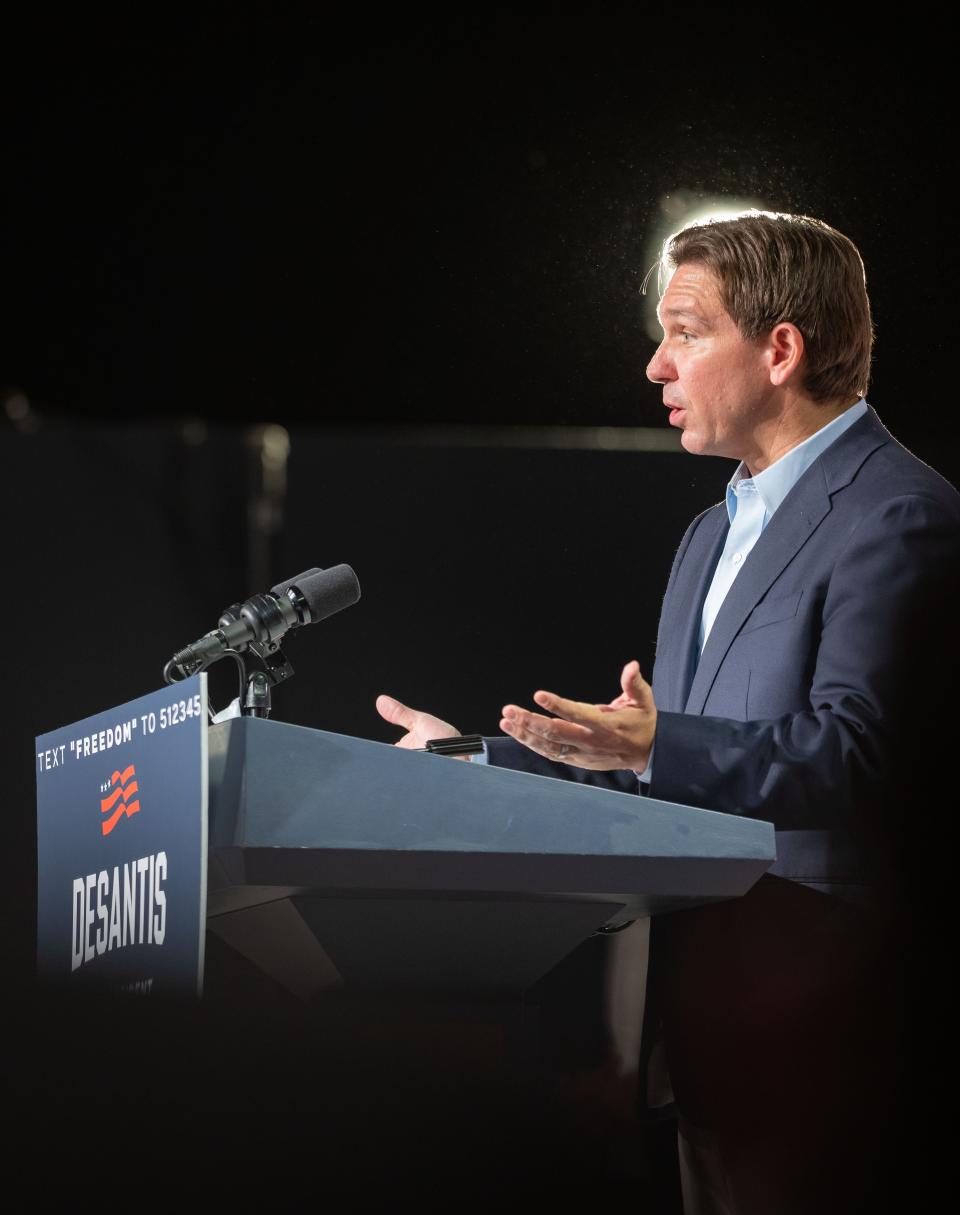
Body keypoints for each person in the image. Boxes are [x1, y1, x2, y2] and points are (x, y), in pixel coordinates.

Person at [376, 212, 960, 1213]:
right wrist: (466, 759)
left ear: (781, 350)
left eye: (687, 330)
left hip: (832, 1044)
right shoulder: (704, 537)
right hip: (701, 1046)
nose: (655, 365)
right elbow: (663, 784)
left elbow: (861, 756)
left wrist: (659, 744)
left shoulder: (903, 516)